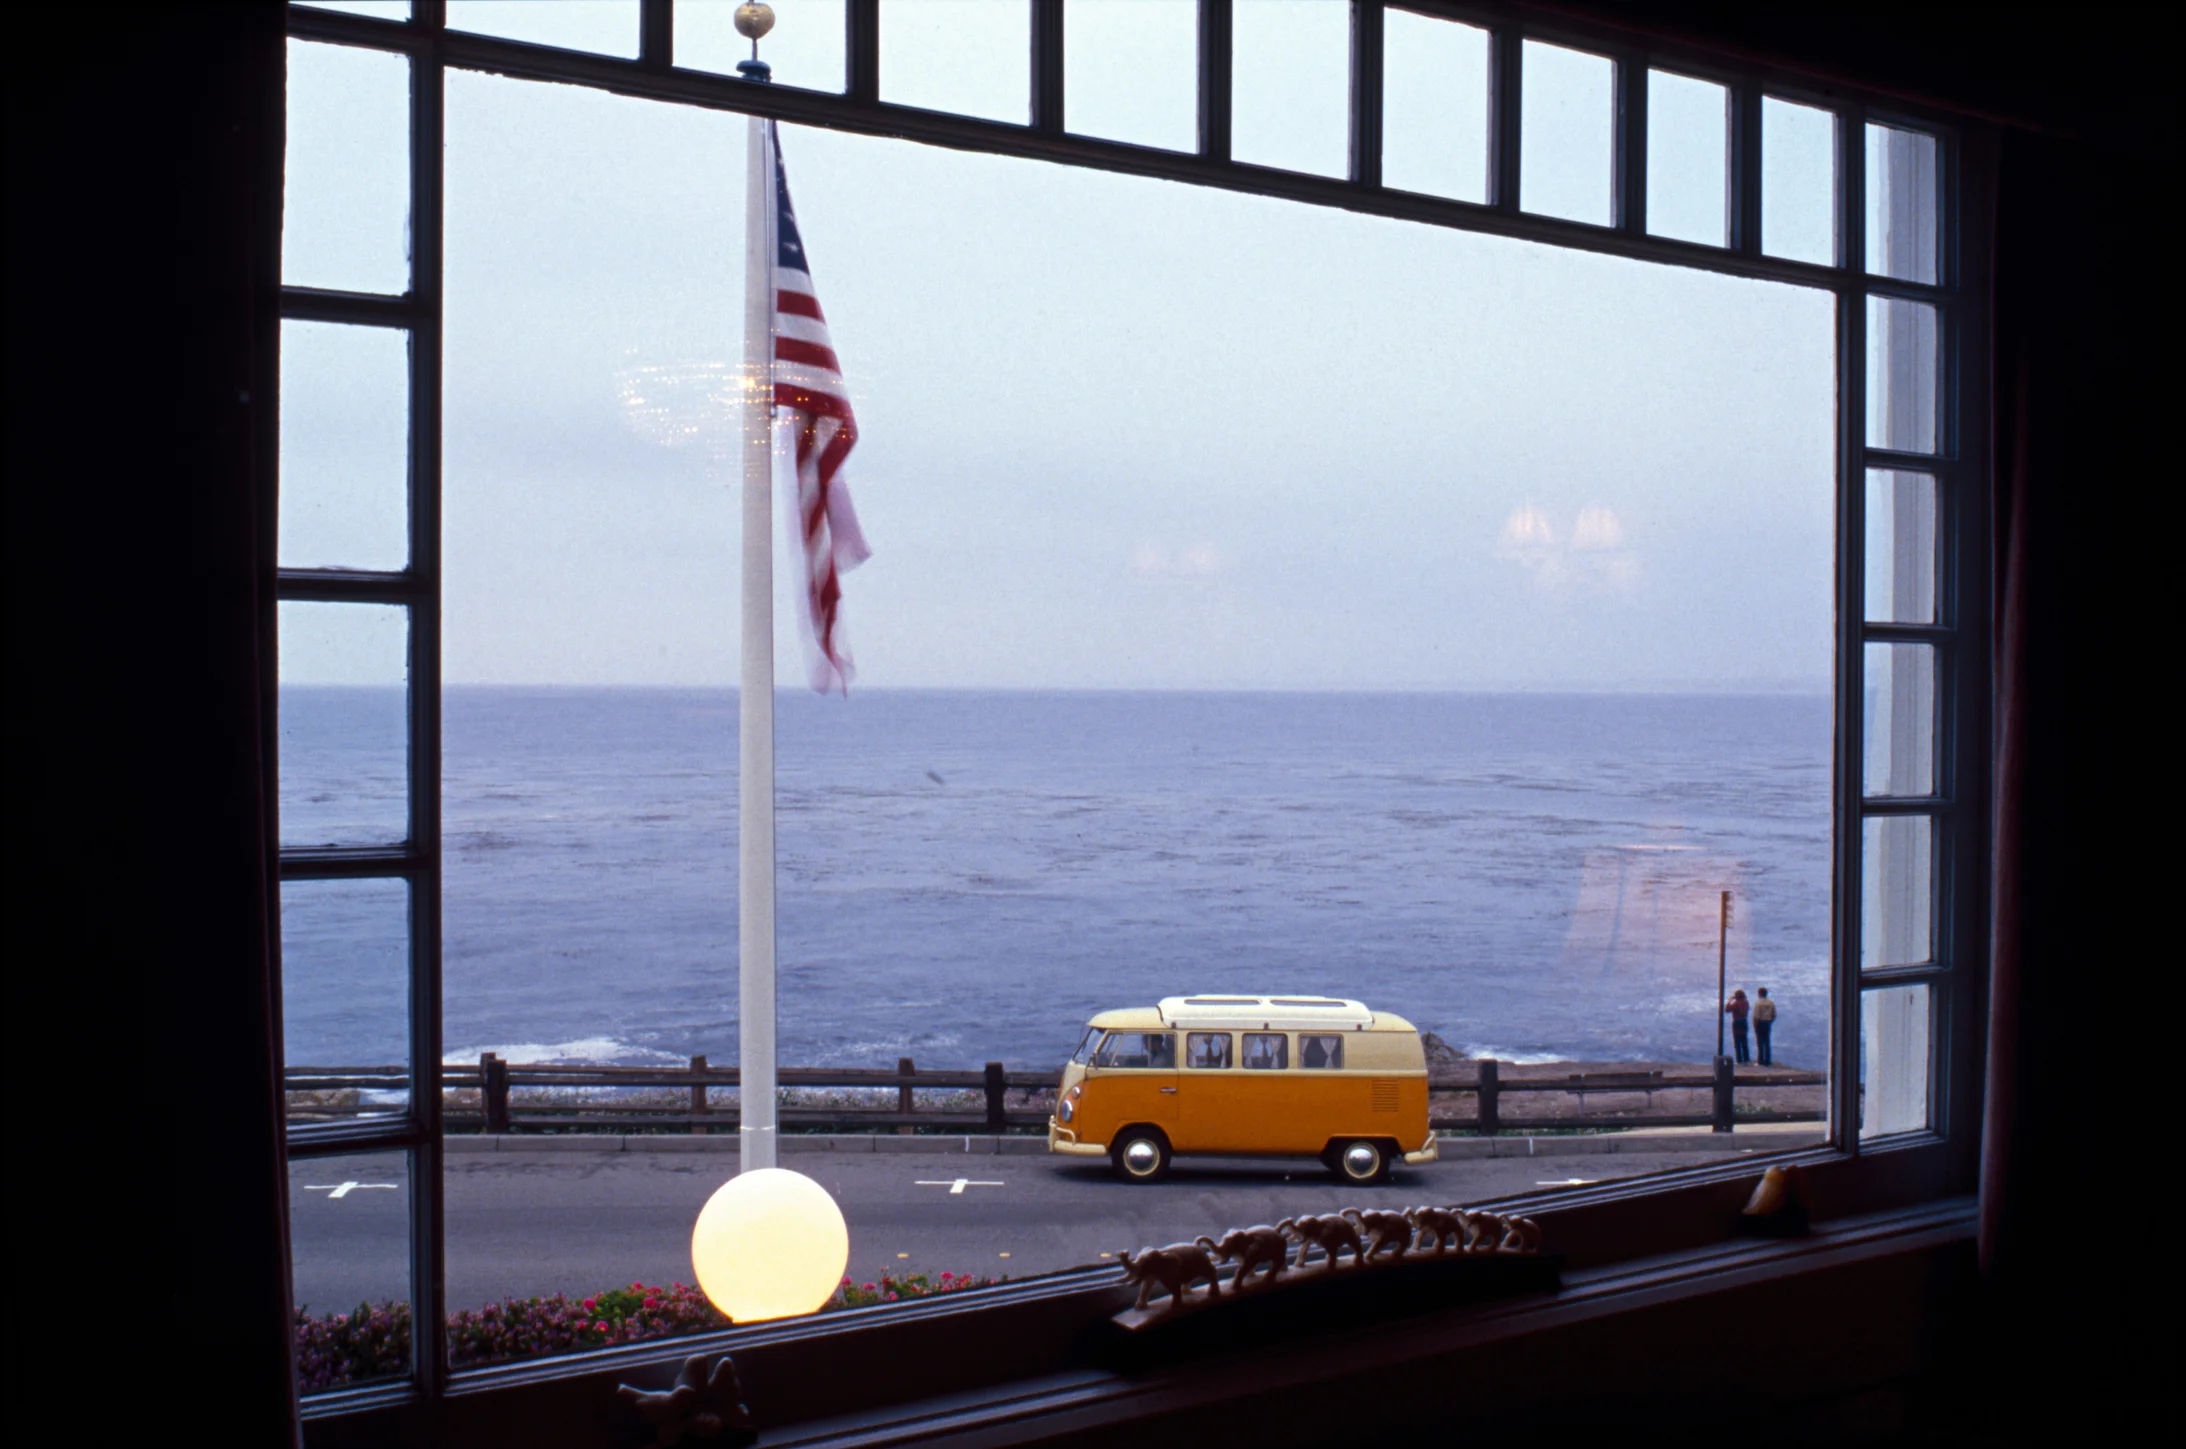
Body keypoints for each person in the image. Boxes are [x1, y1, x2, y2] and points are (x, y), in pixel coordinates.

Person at [1724, 989, 1751, 1064]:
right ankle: (1746, 1059)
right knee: (1744, 1041)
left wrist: (1729, 1001)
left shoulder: (1736, 1004)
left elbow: (1727, 1010)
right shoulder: (1746, 1002)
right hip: (1744, 1022)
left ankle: (1739, 1060)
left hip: (1737, 1022)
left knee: (1737, 1042)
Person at [1753, 988, 1777, 1066]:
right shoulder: (1771, 1002)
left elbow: (1756, 1016)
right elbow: (1774, 1015)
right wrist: (1770, 1022)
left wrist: (1755, 1025)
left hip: (1760, 1023)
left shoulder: (1758, 1003)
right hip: (1767, 1022)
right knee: (1767, 1042)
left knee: (1760, 1042)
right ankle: (1767, 1061)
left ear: (1759, 994)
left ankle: (1760, 1061)